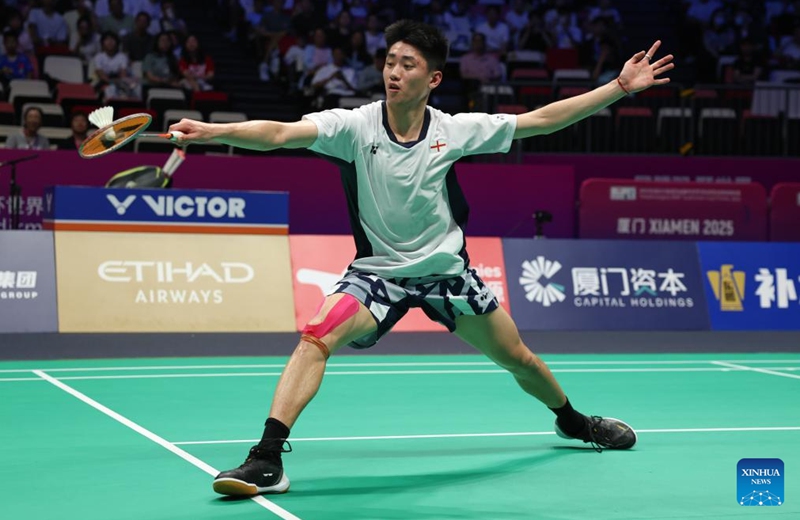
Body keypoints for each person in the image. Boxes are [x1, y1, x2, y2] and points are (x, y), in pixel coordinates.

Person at [169, 19, 673, 497]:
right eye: (390, 61)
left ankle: (573, 421)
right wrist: (213, 133)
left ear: (432, 77)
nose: (394, 72)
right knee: (316, 337)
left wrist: (620, 88)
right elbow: (279, 133)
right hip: (378, 276)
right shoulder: (354, 126)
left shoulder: (453, 130)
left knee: (518, 359)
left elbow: (539, 122)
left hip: (447, 276)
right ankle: (267, 458)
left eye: (407, 64)